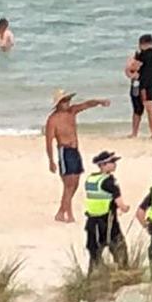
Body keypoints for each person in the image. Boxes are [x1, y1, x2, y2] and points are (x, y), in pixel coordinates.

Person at [44, 90, 111, 223]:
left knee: (75, 184)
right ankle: (68, 214)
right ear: (58, 103)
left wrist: (99, 102)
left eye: (68, 100)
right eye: (64, 101)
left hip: (75, 151)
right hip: (65, 151)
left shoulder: (72, 112)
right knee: (68, 184)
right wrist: (51, 161)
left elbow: (86, 105)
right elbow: (49, 142)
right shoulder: (53, 120)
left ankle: (61, 212)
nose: (67, 103)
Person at [83, 151, 130, 271]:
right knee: (119, 249)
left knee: (95, 253)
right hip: (108, 221)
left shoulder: (91, 179)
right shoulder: (109, 181)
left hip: (92, 221)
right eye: (112, 162)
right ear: (103, 165)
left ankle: (93, 275)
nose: (115, 164)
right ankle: (123, 273)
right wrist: (125, 208)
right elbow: (120, 203)